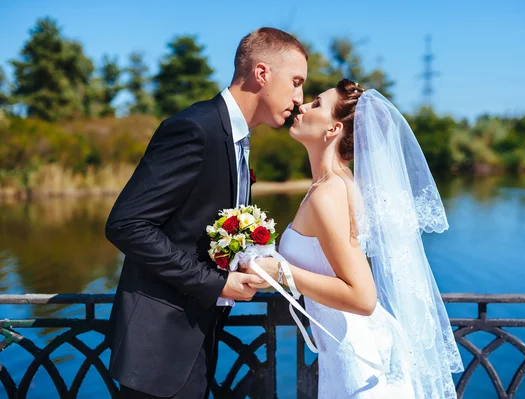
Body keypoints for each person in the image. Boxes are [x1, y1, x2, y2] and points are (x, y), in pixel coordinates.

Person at [104, 27, 308, 398]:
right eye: (295, 82)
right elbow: (127, 225)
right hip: (159, 348)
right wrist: (217, 284)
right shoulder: (194, 128)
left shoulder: (240, 140)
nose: (299, 97)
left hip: (196, 339)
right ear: (262, 74)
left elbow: (196, 230)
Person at [247, 79, 464, 398]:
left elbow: (363, 297)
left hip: (359, 364)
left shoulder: (329, 192)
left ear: (333, 130)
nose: (302, 106)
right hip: (345, 352)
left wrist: (280, 273)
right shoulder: (335, 184)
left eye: (316, 104)